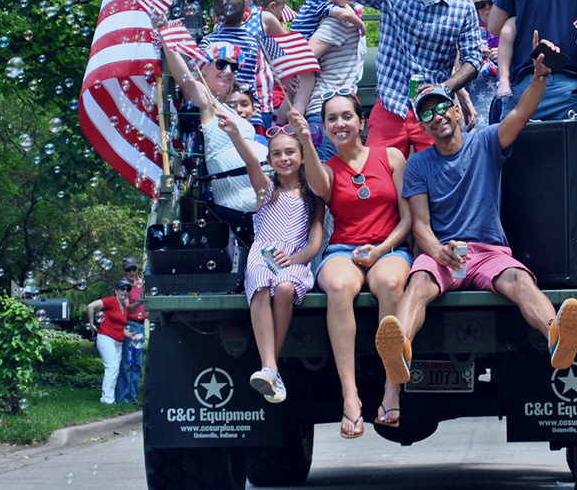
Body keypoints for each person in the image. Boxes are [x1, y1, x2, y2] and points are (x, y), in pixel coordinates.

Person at [371, 37, 577, 427]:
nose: (436, 116)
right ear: (423, 125)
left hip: (488, 251)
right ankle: (399, 348)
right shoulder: (418, 164)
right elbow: (420, 224)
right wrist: (436, 251)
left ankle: (557, 336)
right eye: (426, 114)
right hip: (442, 252)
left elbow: (521, 112)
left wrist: (540, 76)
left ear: (456, 109)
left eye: (441, 107)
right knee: (417, 283)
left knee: (519, 280)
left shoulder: (486, 142)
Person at [288, 96, 411, 438]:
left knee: (390, 283)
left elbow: (408, 219)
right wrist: (304, 138)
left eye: (347, 116)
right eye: (331, 119)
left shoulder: (391, 157)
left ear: (362, 121)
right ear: (325, 127)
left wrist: (382, 249)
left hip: (389, 247)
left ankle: (391, 389)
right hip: (343, 250)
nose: (340, 124)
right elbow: (318, 186)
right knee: (339, 287)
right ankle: (350, 396)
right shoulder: (326, 168)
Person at [327, 0, 484, 155]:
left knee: (442, 173)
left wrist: (444, 88)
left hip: (434, 109)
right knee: (379, 173)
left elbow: (473, 60)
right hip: (392, 104)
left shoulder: (462, 6)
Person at [220, 113, 325, 403]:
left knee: (285, 288)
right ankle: (269, 367)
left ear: (302, 157)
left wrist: (294, 258)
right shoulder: (266, 189)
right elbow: (251, 163)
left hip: (295, 257)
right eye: (276, 154)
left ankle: (270, 367)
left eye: (290, 152)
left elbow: (315, 243)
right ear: (270, 159)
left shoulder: (313, 196)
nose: (283, 158)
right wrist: (234, 133)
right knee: (262, 282)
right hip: (264, 252)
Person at [157, 26, 267, 219]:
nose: (228, 71)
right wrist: (164, 33)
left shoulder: (226, 107)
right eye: (221, 63)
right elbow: (186, 80)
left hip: (261, 188)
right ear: (203, 66)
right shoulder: (205, 99)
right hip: (240, 197)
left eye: (234, 67)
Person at [299, 0, 367, 160]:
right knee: (325, 170)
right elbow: (304, 56)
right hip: (324, 109)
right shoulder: (336, 22)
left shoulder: (341, 17)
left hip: (335, 109)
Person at [87, 280, 145, 404]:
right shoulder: (111, 301)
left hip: (117, 341)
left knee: (115, 369)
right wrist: (91, 323)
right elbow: (91, 306)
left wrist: (129, 335)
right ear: (116, 291)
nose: (125, 292)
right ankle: (106, 399)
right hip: (106, 338)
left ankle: (110, 397)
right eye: (122, 289)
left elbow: (120, 327)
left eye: (127, 290)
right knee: (112, 367)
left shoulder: (123, 307)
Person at [467, 0, 502, 129]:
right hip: (476, 105)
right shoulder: (467, 34)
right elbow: (454, 70)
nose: (487, 7)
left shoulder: (512, 30)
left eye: (491, 2)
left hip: (504, 104)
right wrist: (472, 55)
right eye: (481, 4)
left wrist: (506, 55)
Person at [115, 257, 146, 405]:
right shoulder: (124, 286)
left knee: (137, 364)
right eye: (129, 270)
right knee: (127, 362)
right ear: (124, 271)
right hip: (129, 325)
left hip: (140, 325)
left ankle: (133, 397)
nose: (132, 272)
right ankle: (123, 398)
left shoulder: (142, 283)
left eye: (134, 269)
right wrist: (140, 300)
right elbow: (128, 308)